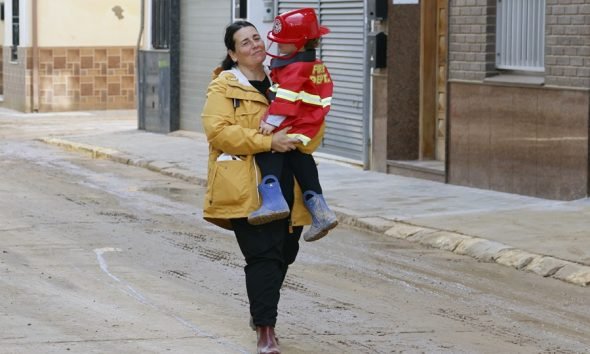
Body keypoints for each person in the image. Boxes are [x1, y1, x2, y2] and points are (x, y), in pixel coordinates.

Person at [200, 20, 325, 354]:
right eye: (245, 42)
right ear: (232, 53)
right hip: (246, 185)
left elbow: (310, 118)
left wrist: (306, 135)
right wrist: (268, 142)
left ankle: (261, 314)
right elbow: (219, 132)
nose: (255, 45)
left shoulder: (284, 78)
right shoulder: (223, 87)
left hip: (289, 185)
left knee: (285, 253)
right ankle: (266, 330)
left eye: (257, 37)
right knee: (263, 256)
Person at [248, 8, 338, 243]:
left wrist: (270, 122)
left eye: (284, 42)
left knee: (269, 147)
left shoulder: (296, 68)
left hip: (295, 121)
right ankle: (320, 210)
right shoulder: (314, 64)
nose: (278, 45)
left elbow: (287, 98)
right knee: (300, 158)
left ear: (299, 44)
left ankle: (272, 200)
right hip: (309, 122)